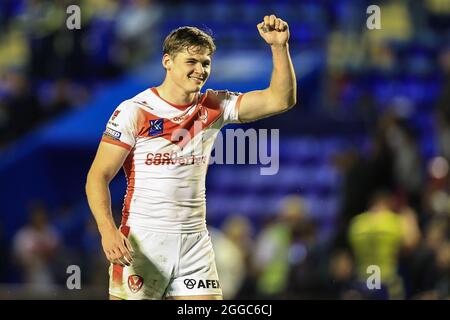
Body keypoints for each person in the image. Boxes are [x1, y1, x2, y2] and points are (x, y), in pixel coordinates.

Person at [85, 14, 296, 300]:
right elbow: (98, 176)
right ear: (167, 61)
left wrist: (279, 47)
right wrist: (108, 231)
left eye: (206, 63)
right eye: (192, 62)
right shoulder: (135, 110)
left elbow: (280, 99)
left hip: (195, 243)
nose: (200, 70)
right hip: (143, 240)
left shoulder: (214, 106)